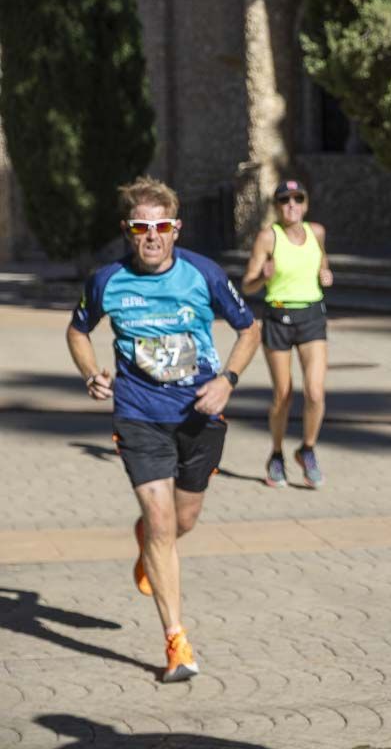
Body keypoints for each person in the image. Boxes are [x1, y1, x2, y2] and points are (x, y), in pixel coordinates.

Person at [66, 176, 261, 682]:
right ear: (128, 231)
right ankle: (177, 643)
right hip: (138, 414)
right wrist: (91, 372)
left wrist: (228, 380)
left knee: (184, 520)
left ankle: (148, 544)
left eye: (161, 226)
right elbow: (77, 329)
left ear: (176, 229)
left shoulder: (205, 274)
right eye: (140, 227)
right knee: (161, 522)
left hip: (200, 413)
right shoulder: (107, 280)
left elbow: (250, 328)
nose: (151, 236)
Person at [241, 179, 333, 488]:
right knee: (283, 394)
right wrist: (262, 278)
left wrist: (326, 274)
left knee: (315, 392)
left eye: (297, 198)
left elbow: (322, 259)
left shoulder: (316, 232)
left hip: (311, 316)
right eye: (284, 200)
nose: (291, 204)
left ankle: (307, 450)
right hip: (278, 316)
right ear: (277, 207)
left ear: (305, 204)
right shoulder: (268, 238)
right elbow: (247, 284)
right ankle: (277, 454)